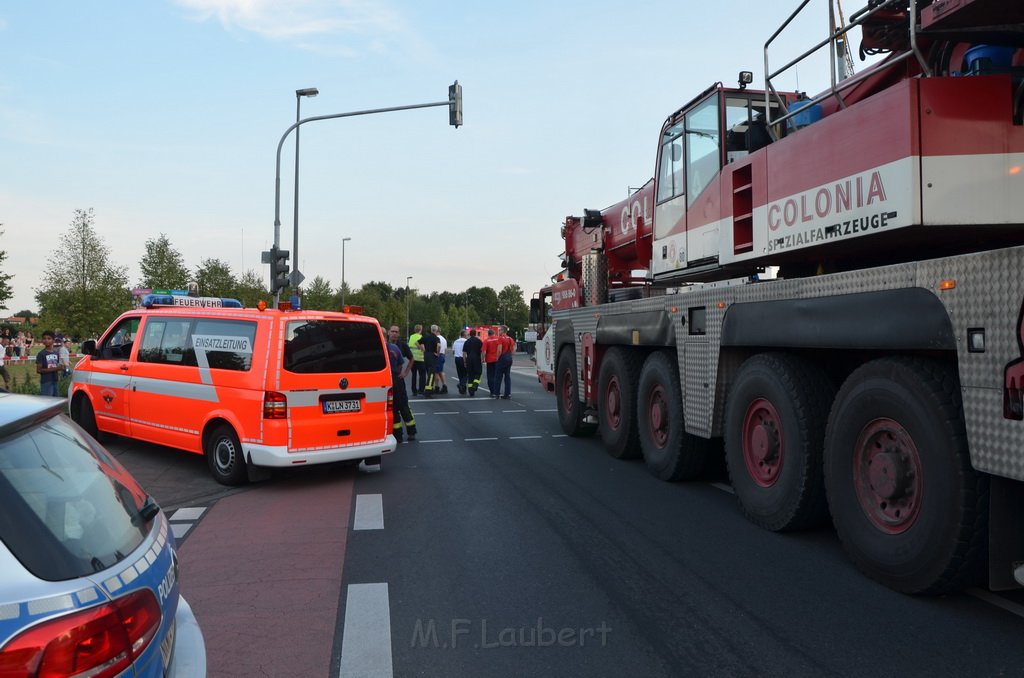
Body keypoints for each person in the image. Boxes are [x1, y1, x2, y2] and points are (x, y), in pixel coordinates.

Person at [387, 325, 417, 442]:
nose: (394, 333)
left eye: (396, 332)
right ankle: (397, 434)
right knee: (392, 408)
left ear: (399, 334)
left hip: (398, 380)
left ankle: (411, 431)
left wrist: (405, 372)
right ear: (389, 333)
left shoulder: (402, 345)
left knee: (403, 406)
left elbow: (412, 358)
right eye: (392, 331)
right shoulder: (384, 344)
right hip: (387, 381)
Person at [36, 330, 62, 397]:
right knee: (47, 402)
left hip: (55, 381)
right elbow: (39, 370)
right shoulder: (41, 354)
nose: (46, 340)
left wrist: (61, 367)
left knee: (55, 402)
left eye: (49, 338)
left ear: (53, 340)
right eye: (44, 338)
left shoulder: (56, 353)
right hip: (46, 382)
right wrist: (56, 368)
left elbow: (57, 366)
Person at [418, 324, 441, 397]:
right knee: (431, 374)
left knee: (428, 373)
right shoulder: (436, 338)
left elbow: (417, 342)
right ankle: (428, 391)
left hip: (426, 355)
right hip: (432, 356)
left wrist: (422, 349)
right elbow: (439, 346)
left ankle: (430, 389)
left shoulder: (426, 337)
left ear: (431, 330)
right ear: (436, 330)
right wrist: (437, 353)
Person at [495, 325, 516, 399]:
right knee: (507, 376)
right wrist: (510, 356)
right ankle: (507, 394)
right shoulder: (510, 339)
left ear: (503, 331)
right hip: (509, 358)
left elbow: (499, 350)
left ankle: (497, 393)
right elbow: (513, 350)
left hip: (502, 359)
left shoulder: (500, 338)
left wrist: (497, 358)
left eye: (500, 330)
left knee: (498, 376)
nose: (499, 331)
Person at [463, 329, 483, 396]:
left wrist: (465, 361)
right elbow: (482, 351)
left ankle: (471, 391)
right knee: (478, 372)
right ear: (475, 334)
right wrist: (483, 359)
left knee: (470, 375)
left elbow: (464, 353)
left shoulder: (467, 341)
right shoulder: (479, 341)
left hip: (469, 359)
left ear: (470, 334)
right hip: (477, 359)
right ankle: (475, 385)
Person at [482, 328, 501, 398]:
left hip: (489, 360)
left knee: (490, 376)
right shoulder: (498, 339)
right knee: (497, 376)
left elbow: (484, 351)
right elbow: (500, 349)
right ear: (494, 333)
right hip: (497, 360)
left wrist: (482, 359)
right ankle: (497, 391)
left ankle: (492, 391)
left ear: (488, 334)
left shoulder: (486, 341)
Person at [408, 324, 425, 396]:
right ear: (421, 330)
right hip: (420, 359)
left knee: (414, 375)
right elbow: (422, 348)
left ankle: (414, 391)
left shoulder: (411, 337)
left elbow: (409, 347)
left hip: (412, 360)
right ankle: (421, 390)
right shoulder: (421, 337)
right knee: (422, 375)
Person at [433, 326, 449, 394]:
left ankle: (437, 387)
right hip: (442, 355)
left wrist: (436, 354)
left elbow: (437, 347)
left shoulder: (437, 338)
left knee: (436, 372)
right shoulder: (444, 339)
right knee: (441, 371)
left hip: (438, 355)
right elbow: (446, 350)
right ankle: (444, 386)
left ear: (437, 331)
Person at [452, 329, 468, 395]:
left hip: (457, 358)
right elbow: (467, 351)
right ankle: (461, 384)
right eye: (467, 335)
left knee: (460, 374)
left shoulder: (456, 341)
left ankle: (462, 390)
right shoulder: (466, 341)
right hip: (464, 358)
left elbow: (453, 351)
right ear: (464, 335)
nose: (467, 336)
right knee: (466, 374)